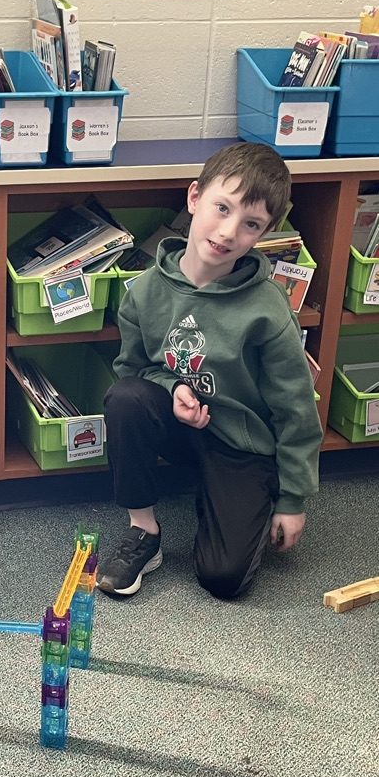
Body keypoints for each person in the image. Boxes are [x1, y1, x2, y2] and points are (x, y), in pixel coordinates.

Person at [97, 142, 323, 600]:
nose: (228, 232)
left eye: (251, 224)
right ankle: (144, 531)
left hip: (242, 442)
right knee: (125, 398)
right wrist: (172, 387)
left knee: (224, 579)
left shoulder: (268, 308)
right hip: (179, 426)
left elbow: (296, 408)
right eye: (222, 207)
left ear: (265, 232)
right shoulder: (144, 292)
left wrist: (292, 500)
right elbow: (133, 370)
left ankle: (230, 497)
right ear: (195, 197)